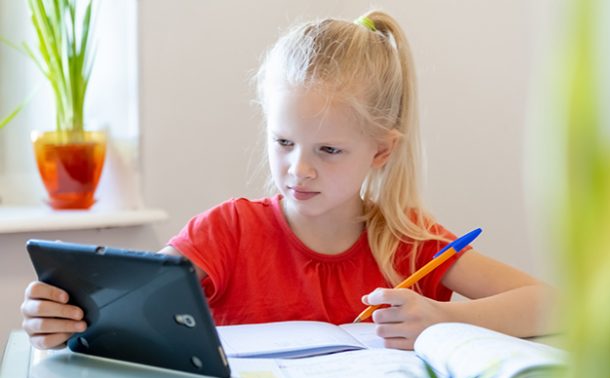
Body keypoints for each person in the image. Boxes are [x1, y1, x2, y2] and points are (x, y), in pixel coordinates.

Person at [20, 11, 556, 352]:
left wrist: (440, 317)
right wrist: (64, 321)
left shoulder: (409, 241)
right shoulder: (227, 232)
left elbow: (552, 304)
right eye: (283, 142)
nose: (299, 169)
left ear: (382, 150)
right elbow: (133, 308)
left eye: (328, 150)